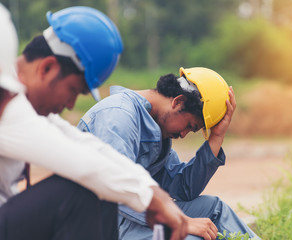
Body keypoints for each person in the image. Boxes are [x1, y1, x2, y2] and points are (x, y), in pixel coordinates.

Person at [0, 5, 188, 240]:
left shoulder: (21, 105)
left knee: (102, 186)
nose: (70, 104)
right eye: (73, 90)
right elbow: (78, 160)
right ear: (47, 67)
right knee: (84, 188)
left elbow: (84, 145)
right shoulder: (5, 108)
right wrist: (149, 197)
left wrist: (151, 190)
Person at [78, 67, 260, 239]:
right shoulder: (119, 117)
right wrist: (182, 222)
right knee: (191, 237)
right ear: (178, 101)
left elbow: (183, 188)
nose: (183, 134)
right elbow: (115, 190)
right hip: (101, 222)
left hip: (128, 216)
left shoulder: (157, 131)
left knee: (214, 209)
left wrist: (216, 137)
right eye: (189, 126)